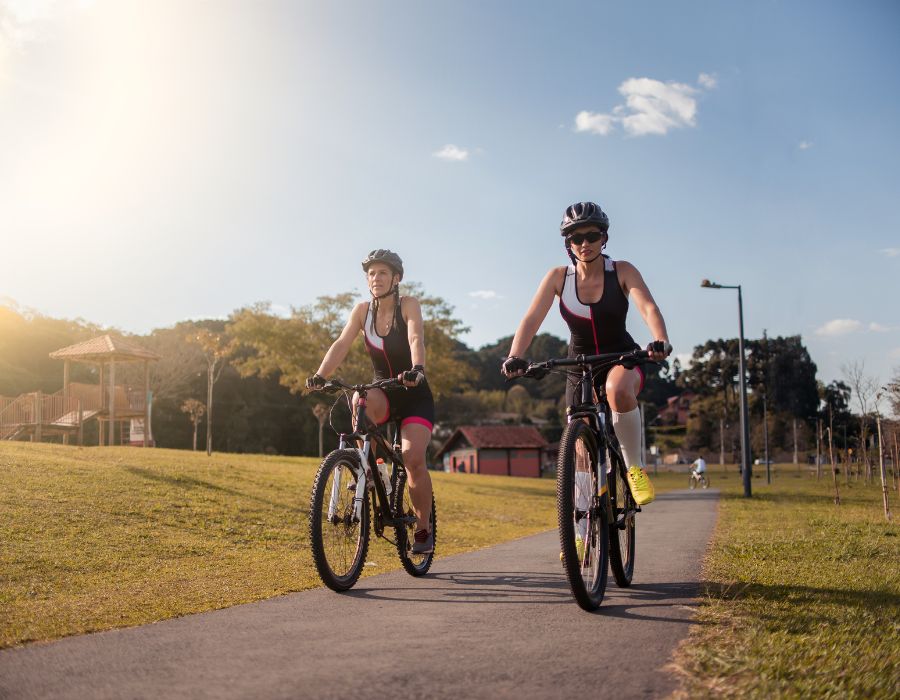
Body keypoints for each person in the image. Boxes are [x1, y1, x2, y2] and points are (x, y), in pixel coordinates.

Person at [501, 201, 671, 508]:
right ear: (568, 243)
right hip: (578, 363)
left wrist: (660, 339)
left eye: (592, 236)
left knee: (617, 390)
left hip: (622, 356)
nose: (584, 244)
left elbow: (648, 306)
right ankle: (578, 537)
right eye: (576, 238)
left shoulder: (621, 270)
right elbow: (531, 320)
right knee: (578, 448)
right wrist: (515, 356)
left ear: (604, 237)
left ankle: (634, 468)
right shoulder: (558, 277)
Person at [305, 249, 435, 554]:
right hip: (384, 392)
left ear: (396, 278)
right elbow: (342, 342)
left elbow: (416, 337)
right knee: (359, 398)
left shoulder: (408, 305)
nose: (376, 279)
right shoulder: (362, 311)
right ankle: (370, 469)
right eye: (371, 274)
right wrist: (321, 375)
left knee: (414, 458)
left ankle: (423, 528)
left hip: (414, 394)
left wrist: (418, 369)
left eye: (382, 273)